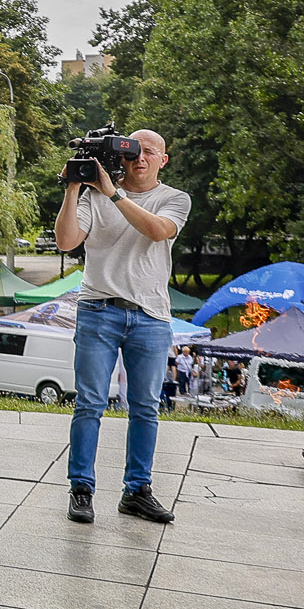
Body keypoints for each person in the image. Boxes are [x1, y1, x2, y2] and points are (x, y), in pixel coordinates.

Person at [53, 128, 189, 525]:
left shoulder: (174, 199)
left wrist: (115, 193)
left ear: (163, 160)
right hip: (99, 309)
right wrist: (72, 190)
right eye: (132, 153)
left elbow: (157, 231)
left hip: (150, 315)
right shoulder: (94, 196)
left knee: (145, 407)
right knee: (90, 403)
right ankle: (81, 488)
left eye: (150, 153)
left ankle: (137, 491)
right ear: (122, 157)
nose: (140, 159)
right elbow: (65, 242)